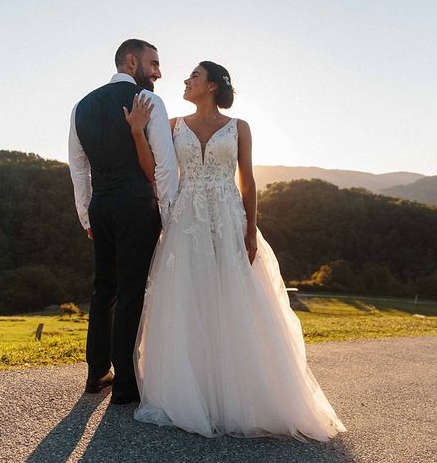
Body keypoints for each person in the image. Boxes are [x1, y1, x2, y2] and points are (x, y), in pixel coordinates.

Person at [124, 61, 346, 441]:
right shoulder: (174, 124)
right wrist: (137, 133)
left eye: (194, 76)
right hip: (187, 218)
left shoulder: (240, 127)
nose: (186, 80)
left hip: (228, 217)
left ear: (211, 85)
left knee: (234, 297)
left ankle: (242, 395)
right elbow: (155, 171)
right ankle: (196, 393)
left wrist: (250, 229)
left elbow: (248, 180)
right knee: (189, 297)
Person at [68, 39, 178, 403]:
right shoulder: (149, 103)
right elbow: (164, 166)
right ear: (131, 61)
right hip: (136, 206)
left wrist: (86, 214)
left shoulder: (81, 106)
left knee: (104, 290)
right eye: (154, 63)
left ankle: (97, 373)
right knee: (132, 290)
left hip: (101, 207)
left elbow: (78, 167)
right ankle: (127, 385)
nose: (158, 72)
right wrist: (168, 212)